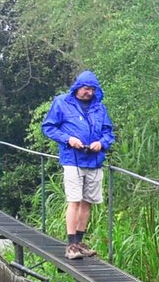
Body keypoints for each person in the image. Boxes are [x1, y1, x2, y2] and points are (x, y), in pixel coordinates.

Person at [40, 70, 115, 260]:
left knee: (87, 201)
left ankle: (80, 242)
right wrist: (68, 139)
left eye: (91, 89)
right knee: (74, 200)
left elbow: (109, 133)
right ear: (77, 87)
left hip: (94, 160)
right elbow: (48, 127)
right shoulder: (62, 102)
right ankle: (71, 244)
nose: (88, 92)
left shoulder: (99, 108)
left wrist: (102, 143)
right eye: (85, 88)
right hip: (72, 159)